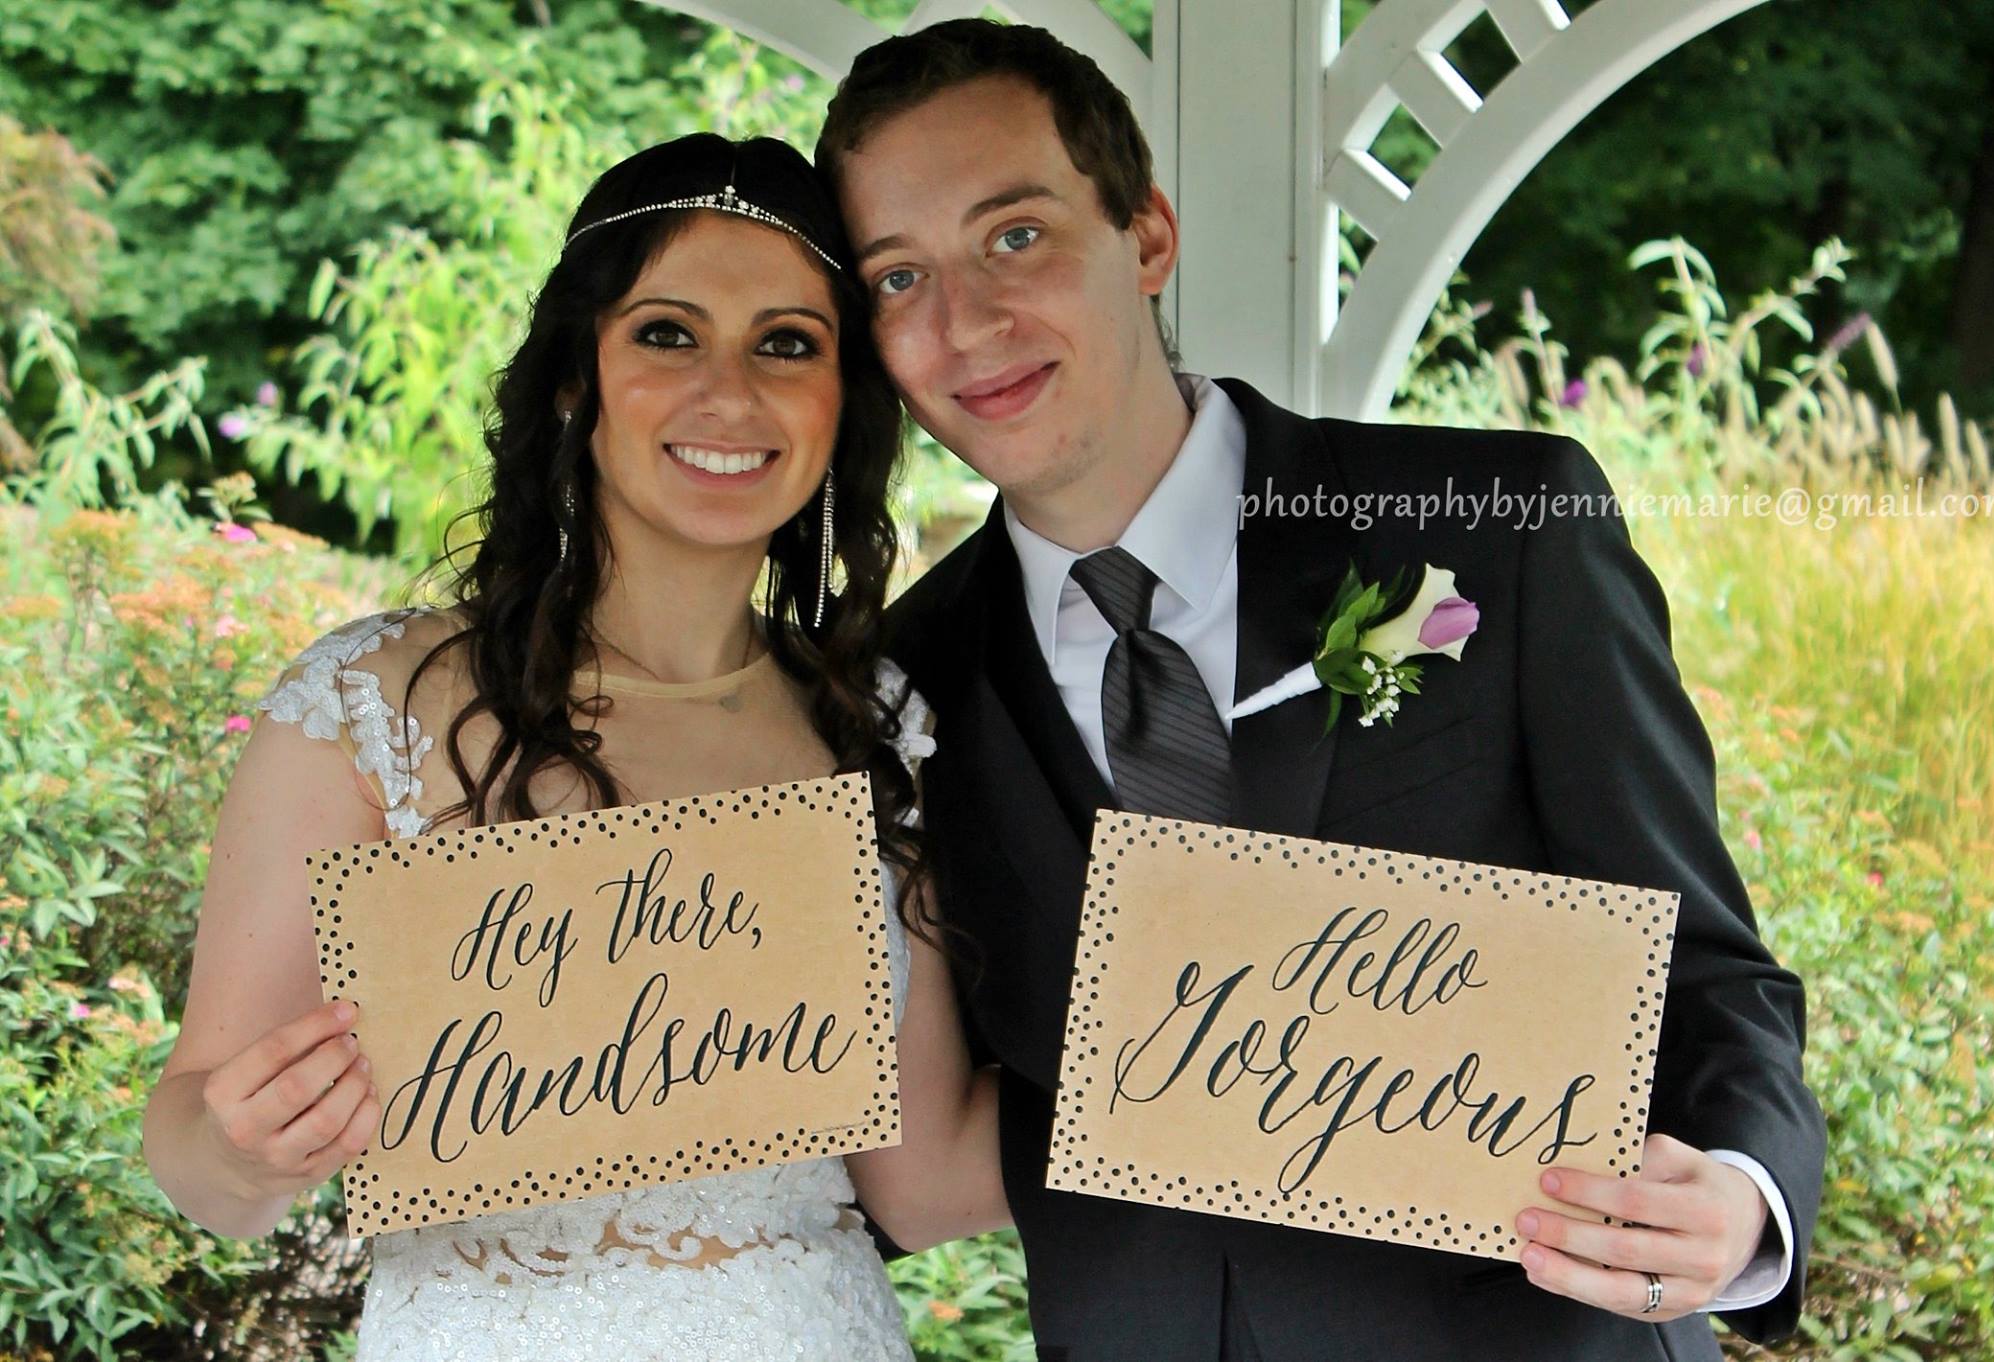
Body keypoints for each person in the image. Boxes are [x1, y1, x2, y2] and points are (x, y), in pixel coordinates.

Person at [816, 19, 1826, 1362]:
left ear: (1149, 234)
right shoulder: (892, 687)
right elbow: (915, 1127)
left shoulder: (1495, 528)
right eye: (896, 277)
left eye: (1016, 236)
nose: (966, 322)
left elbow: (1703, 972)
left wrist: (1746, 1202)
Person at [141, 132, 1006, 1361]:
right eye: (665, 332)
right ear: (571, 379)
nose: (729, 390)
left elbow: (921, 1186)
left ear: (839, 401)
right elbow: (202, 1166)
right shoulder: (366, 707)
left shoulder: (869, 724)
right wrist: (240, 1148)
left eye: (787, 343)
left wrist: (1202, 1083)